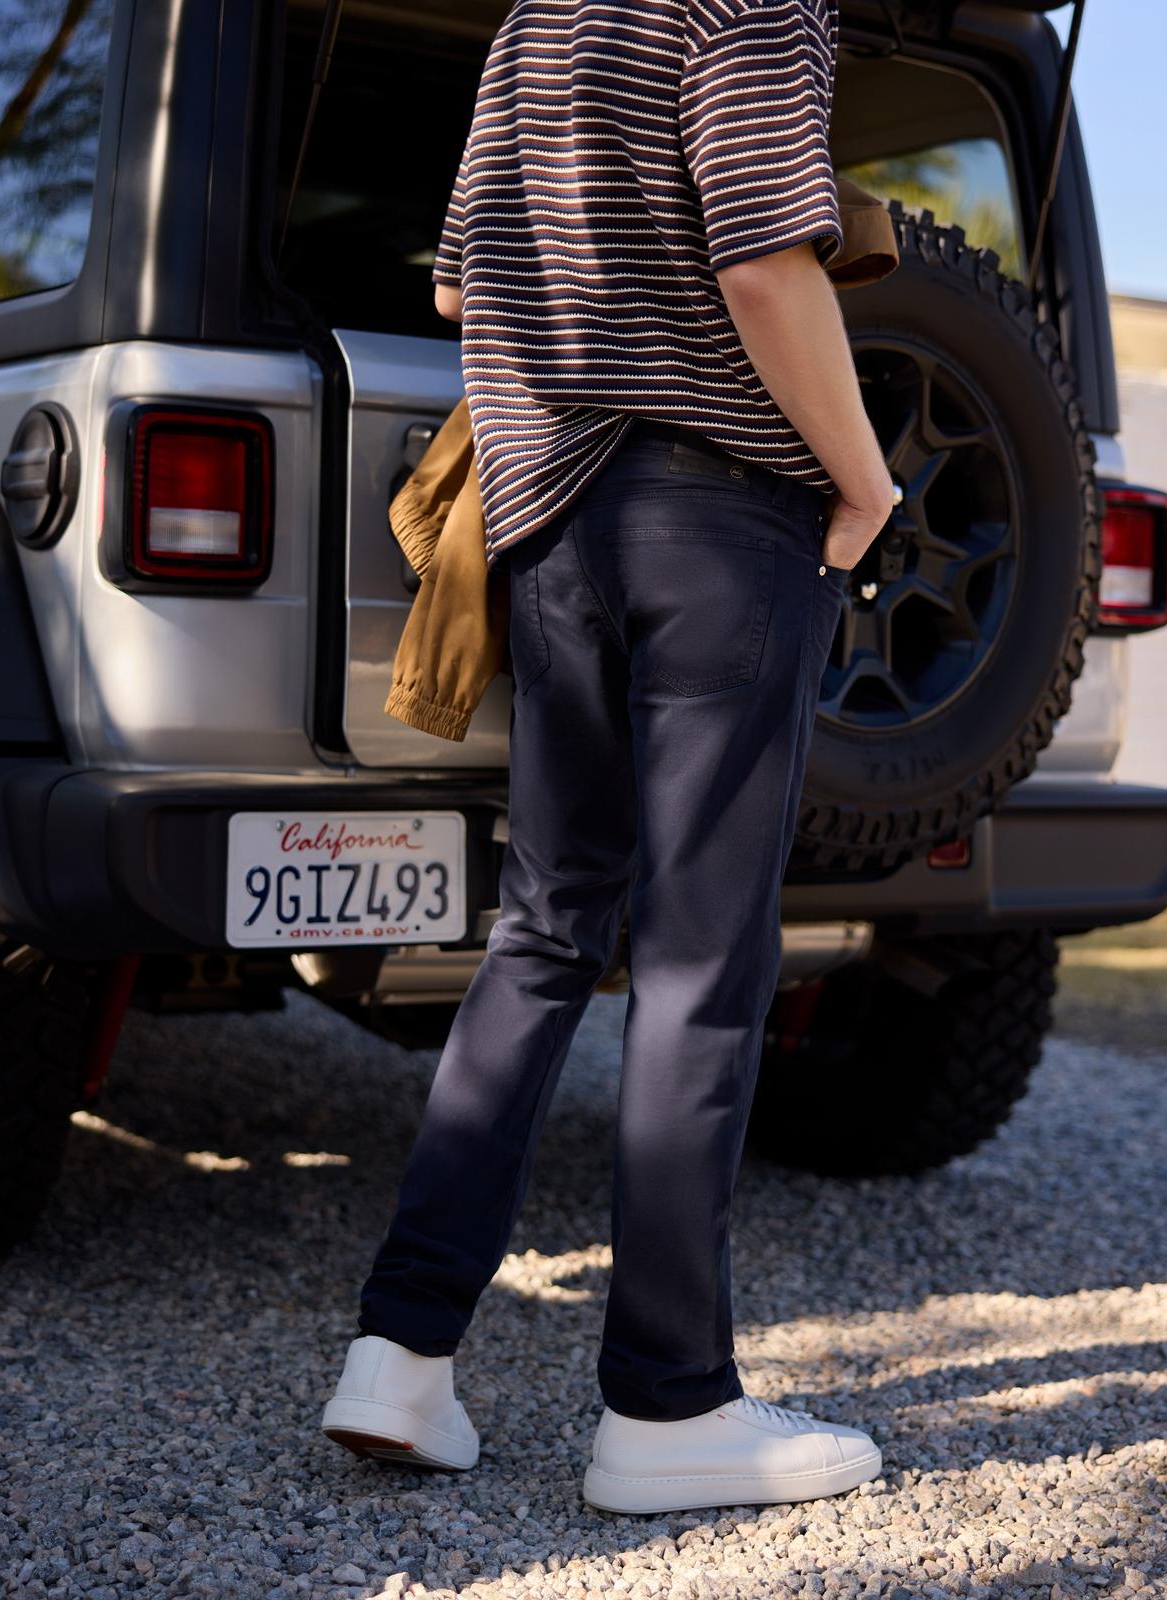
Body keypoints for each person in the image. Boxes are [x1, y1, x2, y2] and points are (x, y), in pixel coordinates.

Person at [321, 0, 894, 1515]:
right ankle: (667, 1407)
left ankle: (401, 1353)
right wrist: (866, 480)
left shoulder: (532, 23)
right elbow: (765, 259)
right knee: (704, 960)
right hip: (719, 519)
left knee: (544, 929)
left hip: (553, 524)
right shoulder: (752, 5)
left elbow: (457, 291)